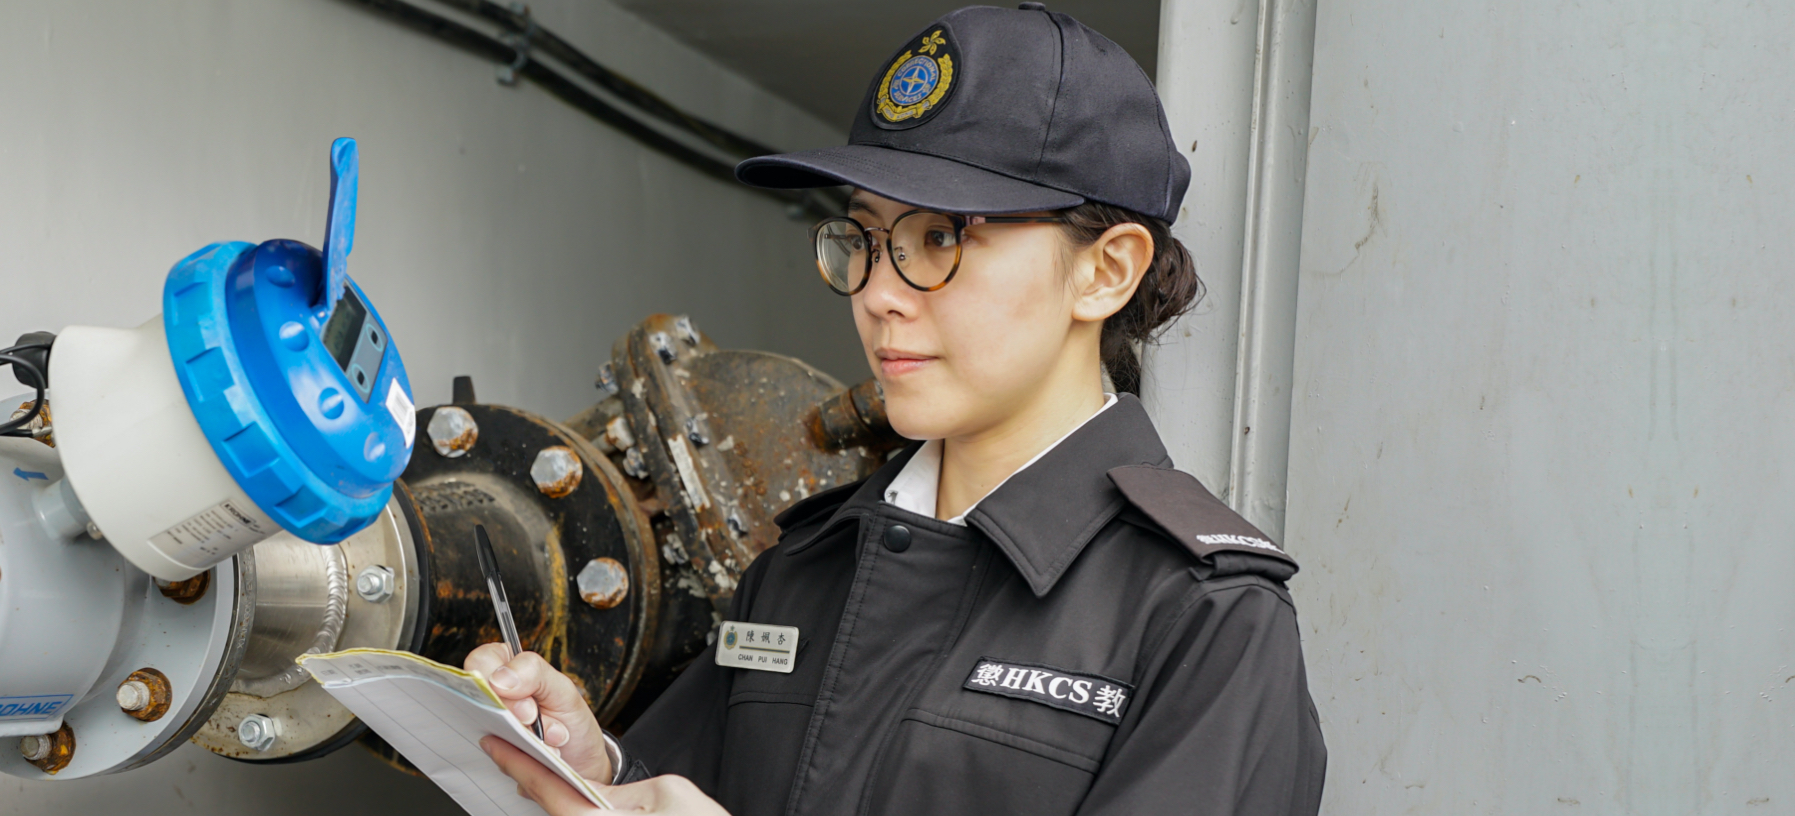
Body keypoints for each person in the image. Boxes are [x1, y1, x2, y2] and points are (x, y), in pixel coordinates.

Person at [465, 4, 1326, 814]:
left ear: (1106, 270)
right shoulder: (803, 570)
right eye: (866, 239)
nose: (878, 292)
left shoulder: (1205, 622)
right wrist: (600, 767)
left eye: (942, 238)